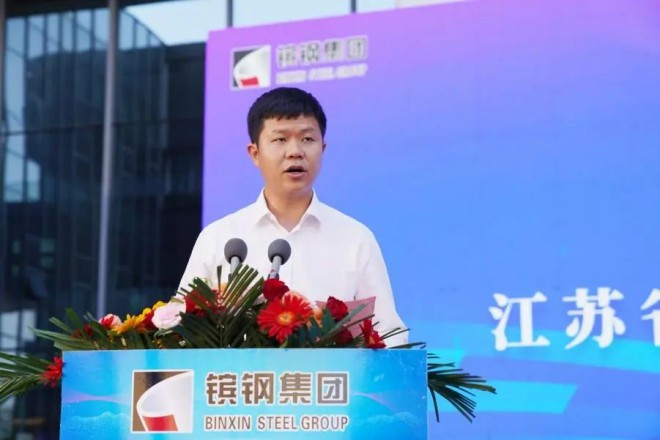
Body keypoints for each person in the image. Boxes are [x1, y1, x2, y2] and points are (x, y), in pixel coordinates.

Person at [179, 87, 407, 346]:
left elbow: (389, 336)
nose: (295, 151)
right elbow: (181, 332)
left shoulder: (356, 238)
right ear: (255, 153)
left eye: (307, 139)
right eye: (280, 140)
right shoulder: (218, 238)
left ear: (323, 148)